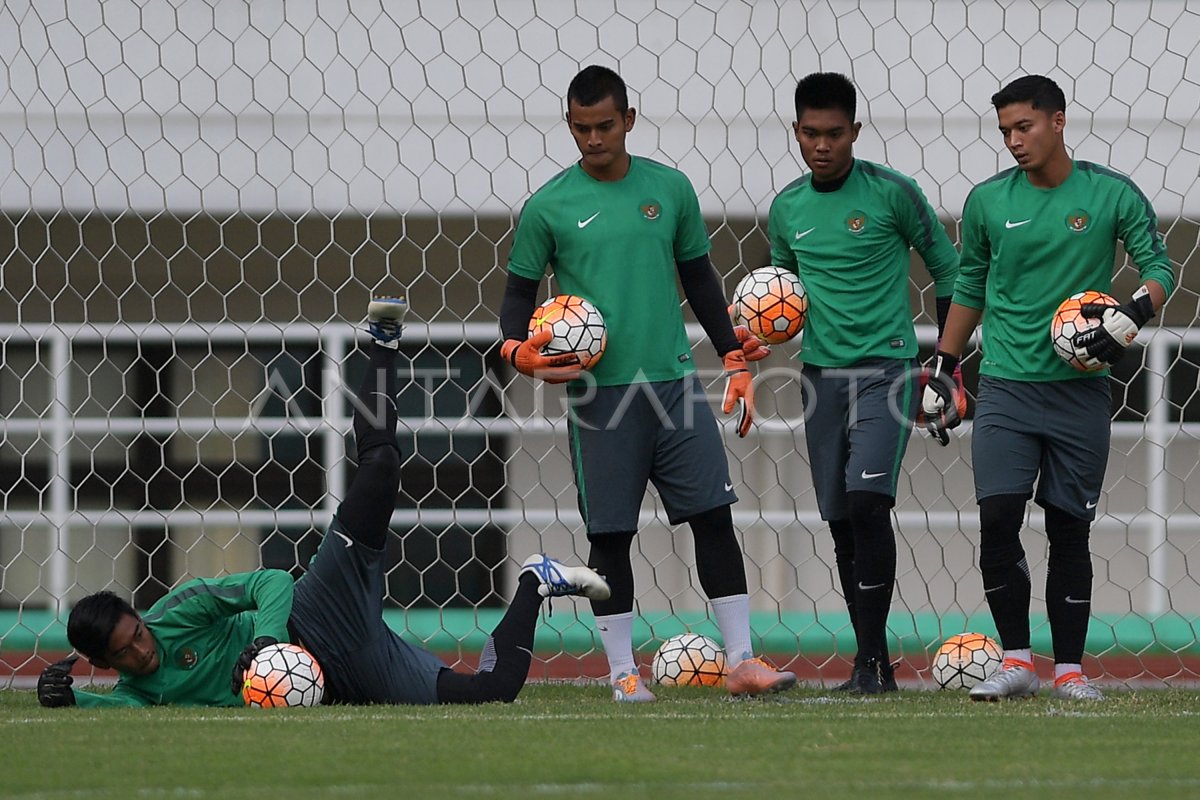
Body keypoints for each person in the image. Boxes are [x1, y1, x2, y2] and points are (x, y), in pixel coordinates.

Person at [36, 298, 611, 708]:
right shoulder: (139, 692)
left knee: (382, 468)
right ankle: (536, 582)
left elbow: (274, 584)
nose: (144, 648)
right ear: (106, 666)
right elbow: (117, 709)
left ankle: (382, 350)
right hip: (347, 670)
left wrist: (264, 643)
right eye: (128, 653)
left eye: (137, 632)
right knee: (492, 693)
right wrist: (68, 700)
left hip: (319, 608)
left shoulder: (178, 610)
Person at [498, 65, 796, 702]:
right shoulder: (548, 205)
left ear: (628, 120)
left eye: (605, 125)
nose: (593, 138)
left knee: (713, 516)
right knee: (610, 534)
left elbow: (700, 282)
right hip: (599, 395)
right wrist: (515, 351)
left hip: (675, 385)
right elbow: (519, 294)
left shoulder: (671, 190)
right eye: (581, 128)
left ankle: (742, 660)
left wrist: (735, 361)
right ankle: (622, 673)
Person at [923, 75, 1175, 701]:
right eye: (1005, 130)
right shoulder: (986, 202)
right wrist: (943, 365)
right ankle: (1016, 663)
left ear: (1058, 121)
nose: (1013, 140)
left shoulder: (1112, 194)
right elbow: (971, 287)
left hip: (1082, 390)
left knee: (1069, 529)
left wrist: (1131, 315)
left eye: (1024, 127)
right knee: (998, 518)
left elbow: (1160, 268)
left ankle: (1068, 671)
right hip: (1006, 385)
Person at [765, 72, 960, 694]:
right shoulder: (787, 208)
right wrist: (755, 333)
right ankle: (872, 664)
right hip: (820, 377)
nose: (821, 145)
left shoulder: (893, 194)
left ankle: (870, 664)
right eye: (810, 134)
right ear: (796, 132)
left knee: (868, 503)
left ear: (855, 130)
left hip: (889, 371)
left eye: (834, 134)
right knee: (840, 519)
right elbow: (780, 296)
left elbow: (952, 274)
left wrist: (949, 369)